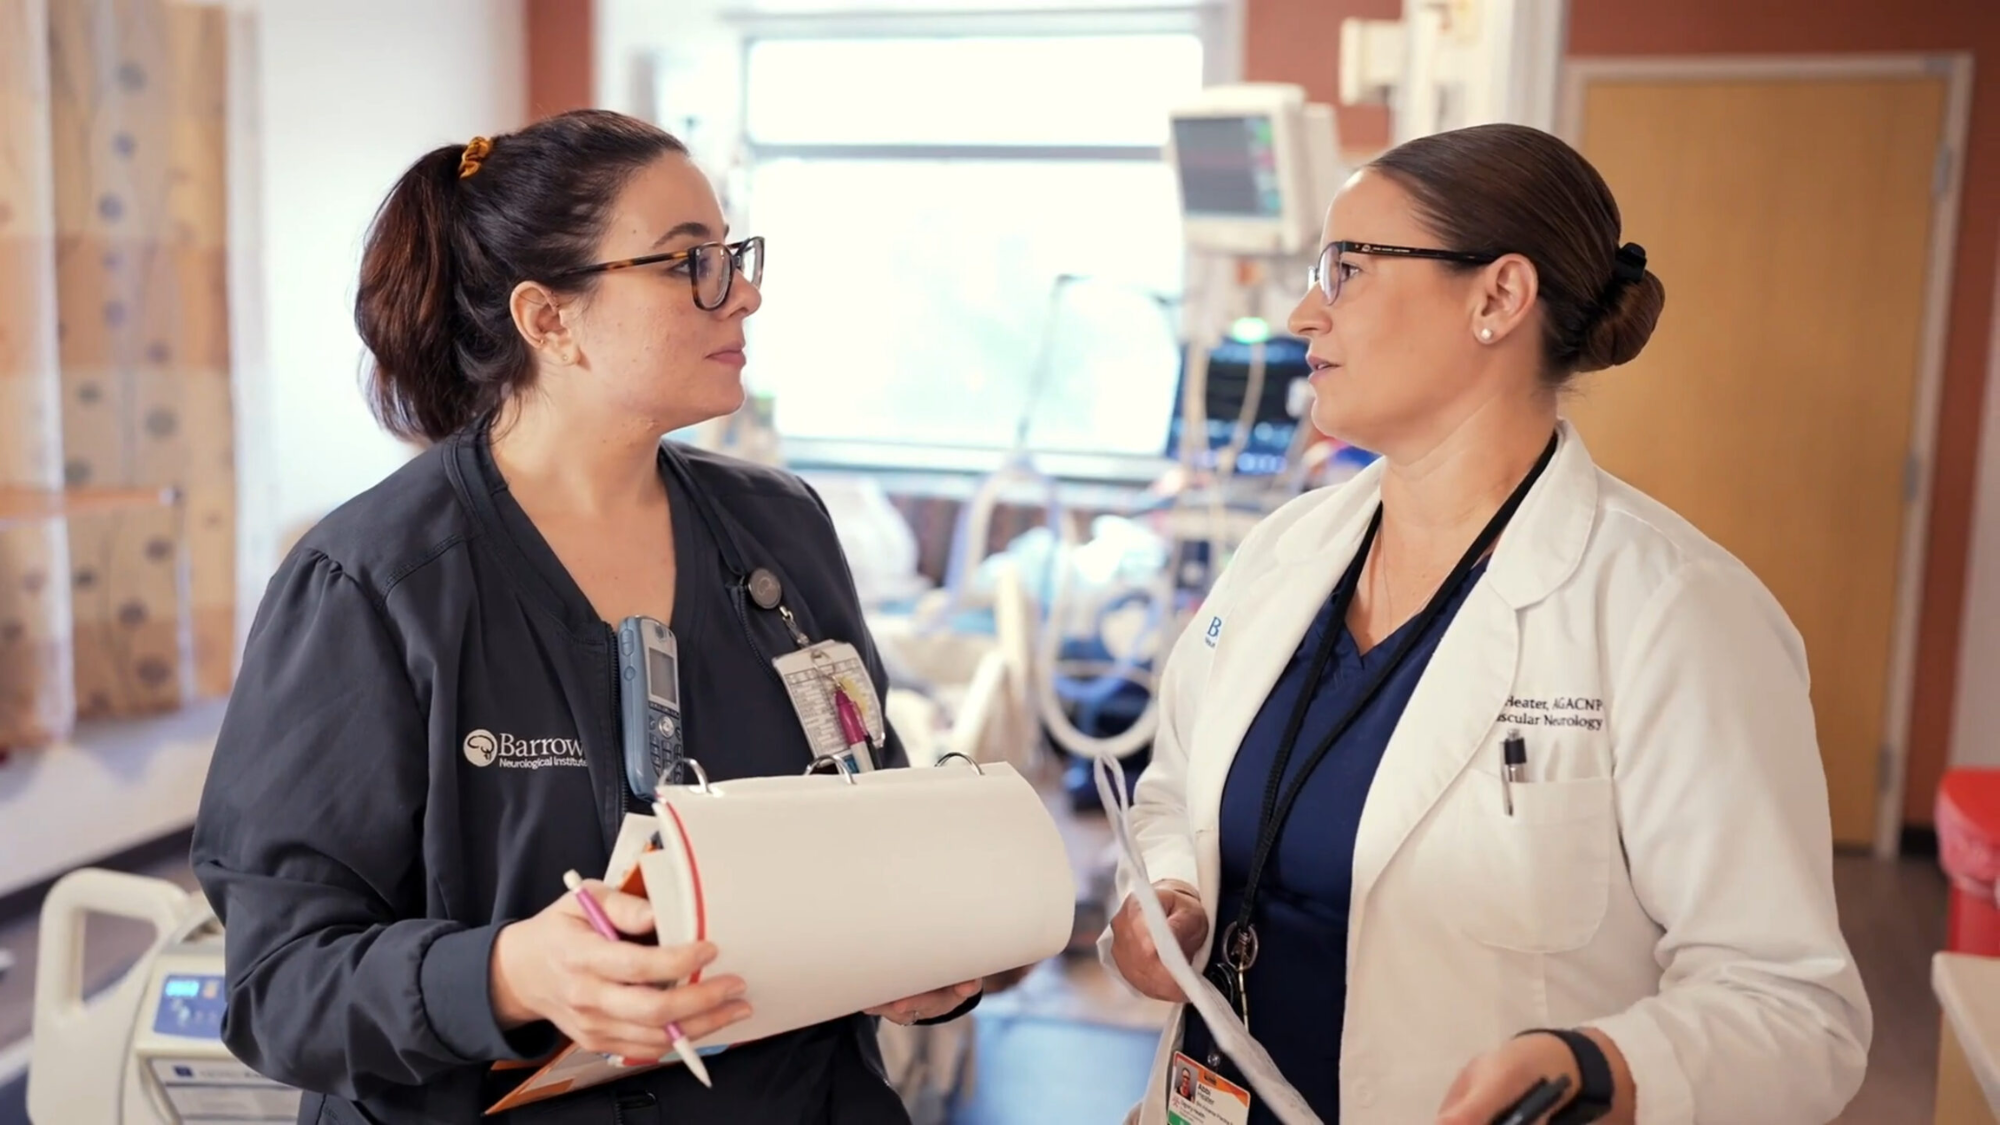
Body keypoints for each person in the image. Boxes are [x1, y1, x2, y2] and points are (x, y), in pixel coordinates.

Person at [191, 109, 980, 1125]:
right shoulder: (375, 584)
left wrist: (921, 950)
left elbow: (876, 830)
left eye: (732, 255)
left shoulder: (778, 532)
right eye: (689, 262)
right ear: (548, 319)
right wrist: (509, 973)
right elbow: (279, 989)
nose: (741, 292)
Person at [1102, 123, 1871, 1125]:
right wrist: (1173, 892)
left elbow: (1792, 1009)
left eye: (1345, 269)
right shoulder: (1281, 555)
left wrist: (1600, 1064)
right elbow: (1169, 793)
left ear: (1497, 297)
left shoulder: (1669, 613)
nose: (1301, 312)